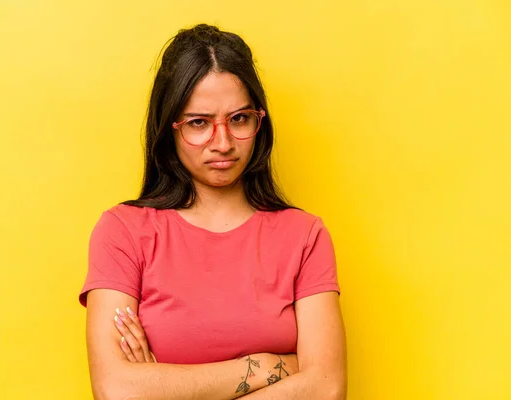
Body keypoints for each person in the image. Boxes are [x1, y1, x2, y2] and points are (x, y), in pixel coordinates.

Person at [79, 24, 347, 400]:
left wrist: (166, 388)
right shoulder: (123, 231)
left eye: (239, 119)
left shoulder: (305, 235)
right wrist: (268, 367)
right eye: (199, 123)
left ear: (259, 120)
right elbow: (118, 390)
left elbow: (326, 389)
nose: (222, 143)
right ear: (168, 127)